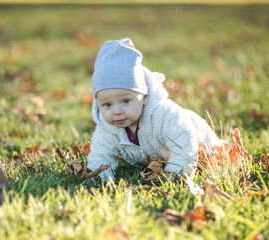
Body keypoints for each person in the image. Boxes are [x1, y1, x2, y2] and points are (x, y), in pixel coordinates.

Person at [86, 38, 221, 182]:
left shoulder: (165, 116)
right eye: (107, 105)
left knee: (216, 156)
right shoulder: (107, 128)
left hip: (202, 149)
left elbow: (185, 143)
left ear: (144, 97)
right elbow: (100, 154)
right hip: (159, 157)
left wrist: (174, 174)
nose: (117, 111)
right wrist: (100, 179)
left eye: (125, 101)